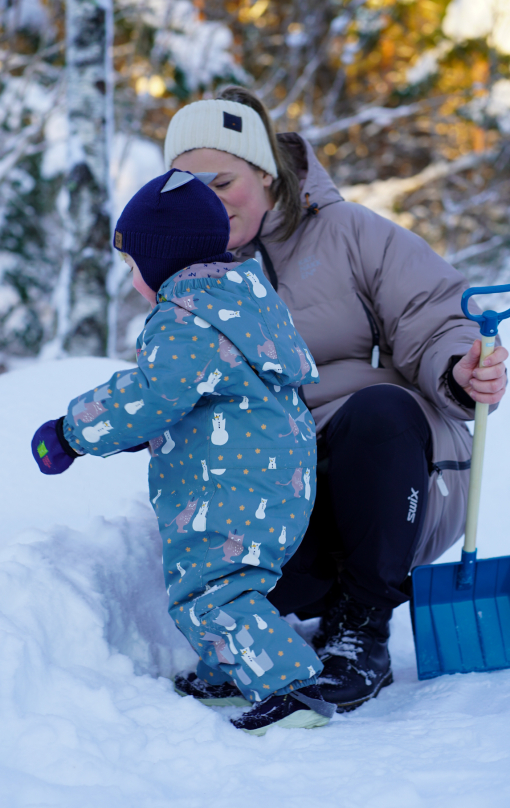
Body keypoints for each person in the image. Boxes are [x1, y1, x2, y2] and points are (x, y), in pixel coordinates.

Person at [163, 87, 509, 712]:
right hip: (272, 493)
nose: (208, 202)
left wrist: (458, 370)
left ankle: (361, 630)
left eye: (222, 181)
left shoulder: (349, 232)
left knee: (382, 413)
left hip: (384, 476)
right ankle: (247, 627)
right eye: (189, 188)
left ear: (266, 173)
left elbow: (431, 316)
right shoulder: (187, 275)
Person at [31, 167, 338, 734]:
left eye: (133, 266)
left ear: (162, 260)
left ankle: (288, 688)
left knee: (210, 592)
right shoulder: (243, 302)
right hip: (275, 481)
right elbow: (207, 396)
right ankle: (229, 674)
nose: (131, 280)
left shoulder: (186, 318)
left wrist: (72, 432)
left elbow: (153, 392)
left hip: (234, 488)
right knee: (226, 586)